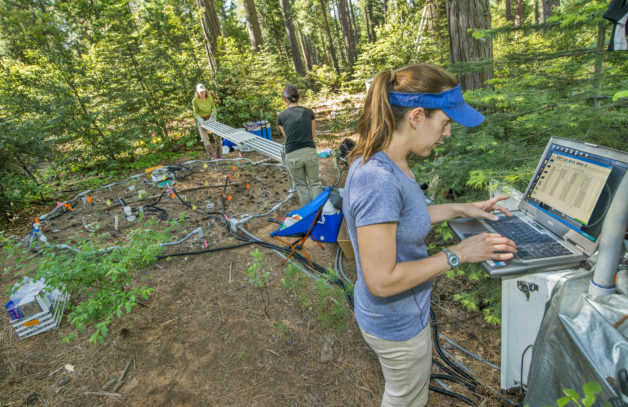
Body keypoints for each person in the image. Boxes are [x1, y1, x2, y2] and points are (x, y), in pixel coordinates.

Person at [343, 64, 517, 407]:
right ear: (417, 117)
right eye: (446, 122)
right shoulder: (377, 178)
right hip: (396, 324)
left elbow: (402, 220)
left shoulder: (392, 160)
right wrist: (459, 253)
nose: (448, 133)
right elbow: (381, 281)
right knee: (405, 399)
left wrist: (461, 208)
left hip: (405, 313)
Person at [277, 85, 323, 205]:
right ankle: (319, 213)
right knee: (315, 183)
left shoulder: (281, 117)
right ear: (298, 97)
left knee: (301, 186)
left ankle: (308, 216)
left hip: (293, 154)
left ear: (285, 100)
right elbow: (312, 135)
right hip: (309, 151)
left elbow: (287, 138)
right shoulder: (308, 112)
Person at [192, 83, 222, 159]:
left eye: (203, 91)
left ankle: (219, 155)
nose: (202, 93)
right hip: (201, 121)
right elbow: (196, 112)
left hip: (210, 119)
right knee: (206, 140)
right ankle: (211, 156)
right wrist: (200, 120)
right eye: (200, 92)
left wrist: (213, 115)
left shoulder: (209, 98)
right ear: (197, 92)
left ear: (205, 91)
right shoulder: (195, 100)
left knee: (217, 137)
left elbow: (214, 108)